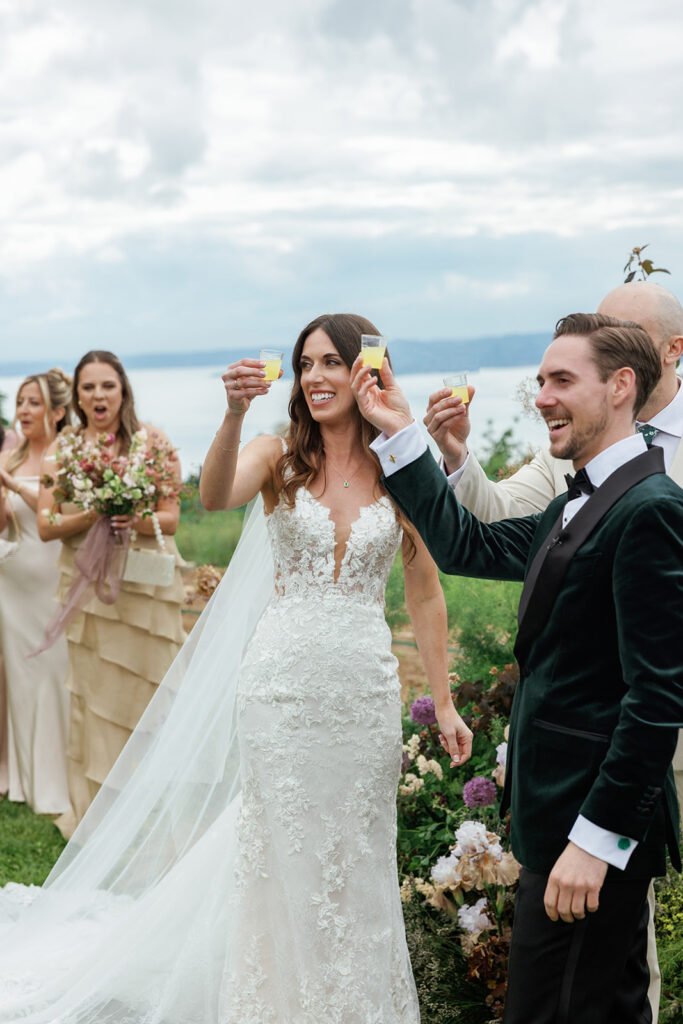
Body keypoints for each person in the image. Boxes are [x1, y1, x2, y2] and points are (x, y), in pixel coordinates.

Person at [0, 313, 472, 1023]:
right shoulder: (276, 454)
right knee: (277, 850)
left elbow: (425, 590)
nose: (315, 376)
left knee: (358, 849)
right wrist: (231, 413)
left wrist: (442, 699)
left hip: (363, 688)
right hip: (279, 687)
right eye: (305, 363)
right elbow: (214, 495)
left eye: (331, 362)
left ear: (367, 371)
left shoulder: (404, 467)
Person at [352, 313, 683, 1024]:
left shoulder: (649, 509)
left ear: (621, 386)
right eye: (538, 382)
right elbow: (465, 544)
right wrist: (401, 431)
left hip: (586, 834)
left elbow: (656, 698)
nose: (540, 397)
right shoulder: (574, 502)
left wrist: (595, 843)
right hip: (556, 824)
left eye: (561, 380)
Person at [37, 350, 185, 837]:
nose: (98, 396)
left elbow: (169, 518)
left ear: (123, 390)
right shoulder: (63, 450)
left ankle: (152, 822)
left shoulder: (154, 443)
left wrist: (131, 518)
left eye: (107, 385)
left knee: (152, 702)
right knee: (97, 705)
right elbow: (46, 524)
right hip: (90, 598)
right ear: (76, 397)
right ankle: (97, 822)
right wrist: (96, 511)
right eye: (88, 388)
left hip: (146, 593)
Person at [0, 370, 72, 814]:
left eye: (33, 402)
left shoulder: (68, 457)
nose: (23, 411)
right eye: (21, 402)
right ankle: (22, 777)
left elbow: (57, 515)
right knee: (21, 681)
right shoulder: (10, 460)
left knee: (55, 676)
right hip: (13, 584)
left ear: (58, 412)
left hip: (55, 580)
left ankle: (58, 777)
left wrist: (12, 488)